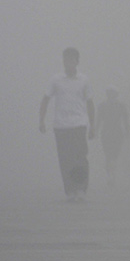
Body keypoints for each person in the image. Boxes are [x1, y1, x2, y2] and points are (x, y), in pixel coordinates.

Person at [39, 47, 95, 201]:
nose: (69, 63)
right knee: (65, 159)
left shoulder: (84, 80)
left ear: (77, 62)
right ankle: (70, 190)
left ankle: (81, 189)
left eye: (72, 60)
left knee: (80, 158)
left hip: (79, 124)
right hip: (61, 126)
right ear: (63, 62)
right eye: (66, 60)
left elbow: (90, 103)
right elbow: (46, 99)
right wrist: (41, 120)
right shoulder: (56, 80)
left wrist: (92, 125)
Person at [95, 88, 130, 185]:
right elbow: (125, 120)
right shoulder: (120, 106)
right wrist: (127, 132)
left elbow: (98, 120)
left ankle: (110, 175)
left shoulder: (102, 106)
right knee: (114, 154)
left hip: (107, 132)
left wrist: (96, 131)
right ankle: (112, 174)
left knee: (108, 154)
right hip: (117, 132)